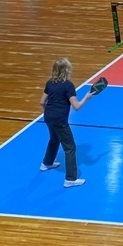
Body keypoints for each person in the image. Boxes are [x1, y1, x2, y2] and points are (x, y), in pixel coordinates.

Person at [40, 57, 94, 188]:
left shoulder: (49, 83)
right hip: (60, 120)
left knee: (54, 139)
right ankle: (70, 179)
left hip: (47, 117)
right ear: (66, 71)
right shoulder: (68, 86)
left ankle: (46, 163)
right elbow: (76, 106)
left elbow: (42, 102)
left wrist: (51, 112)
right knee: (70, 148)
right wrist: (86, 98)